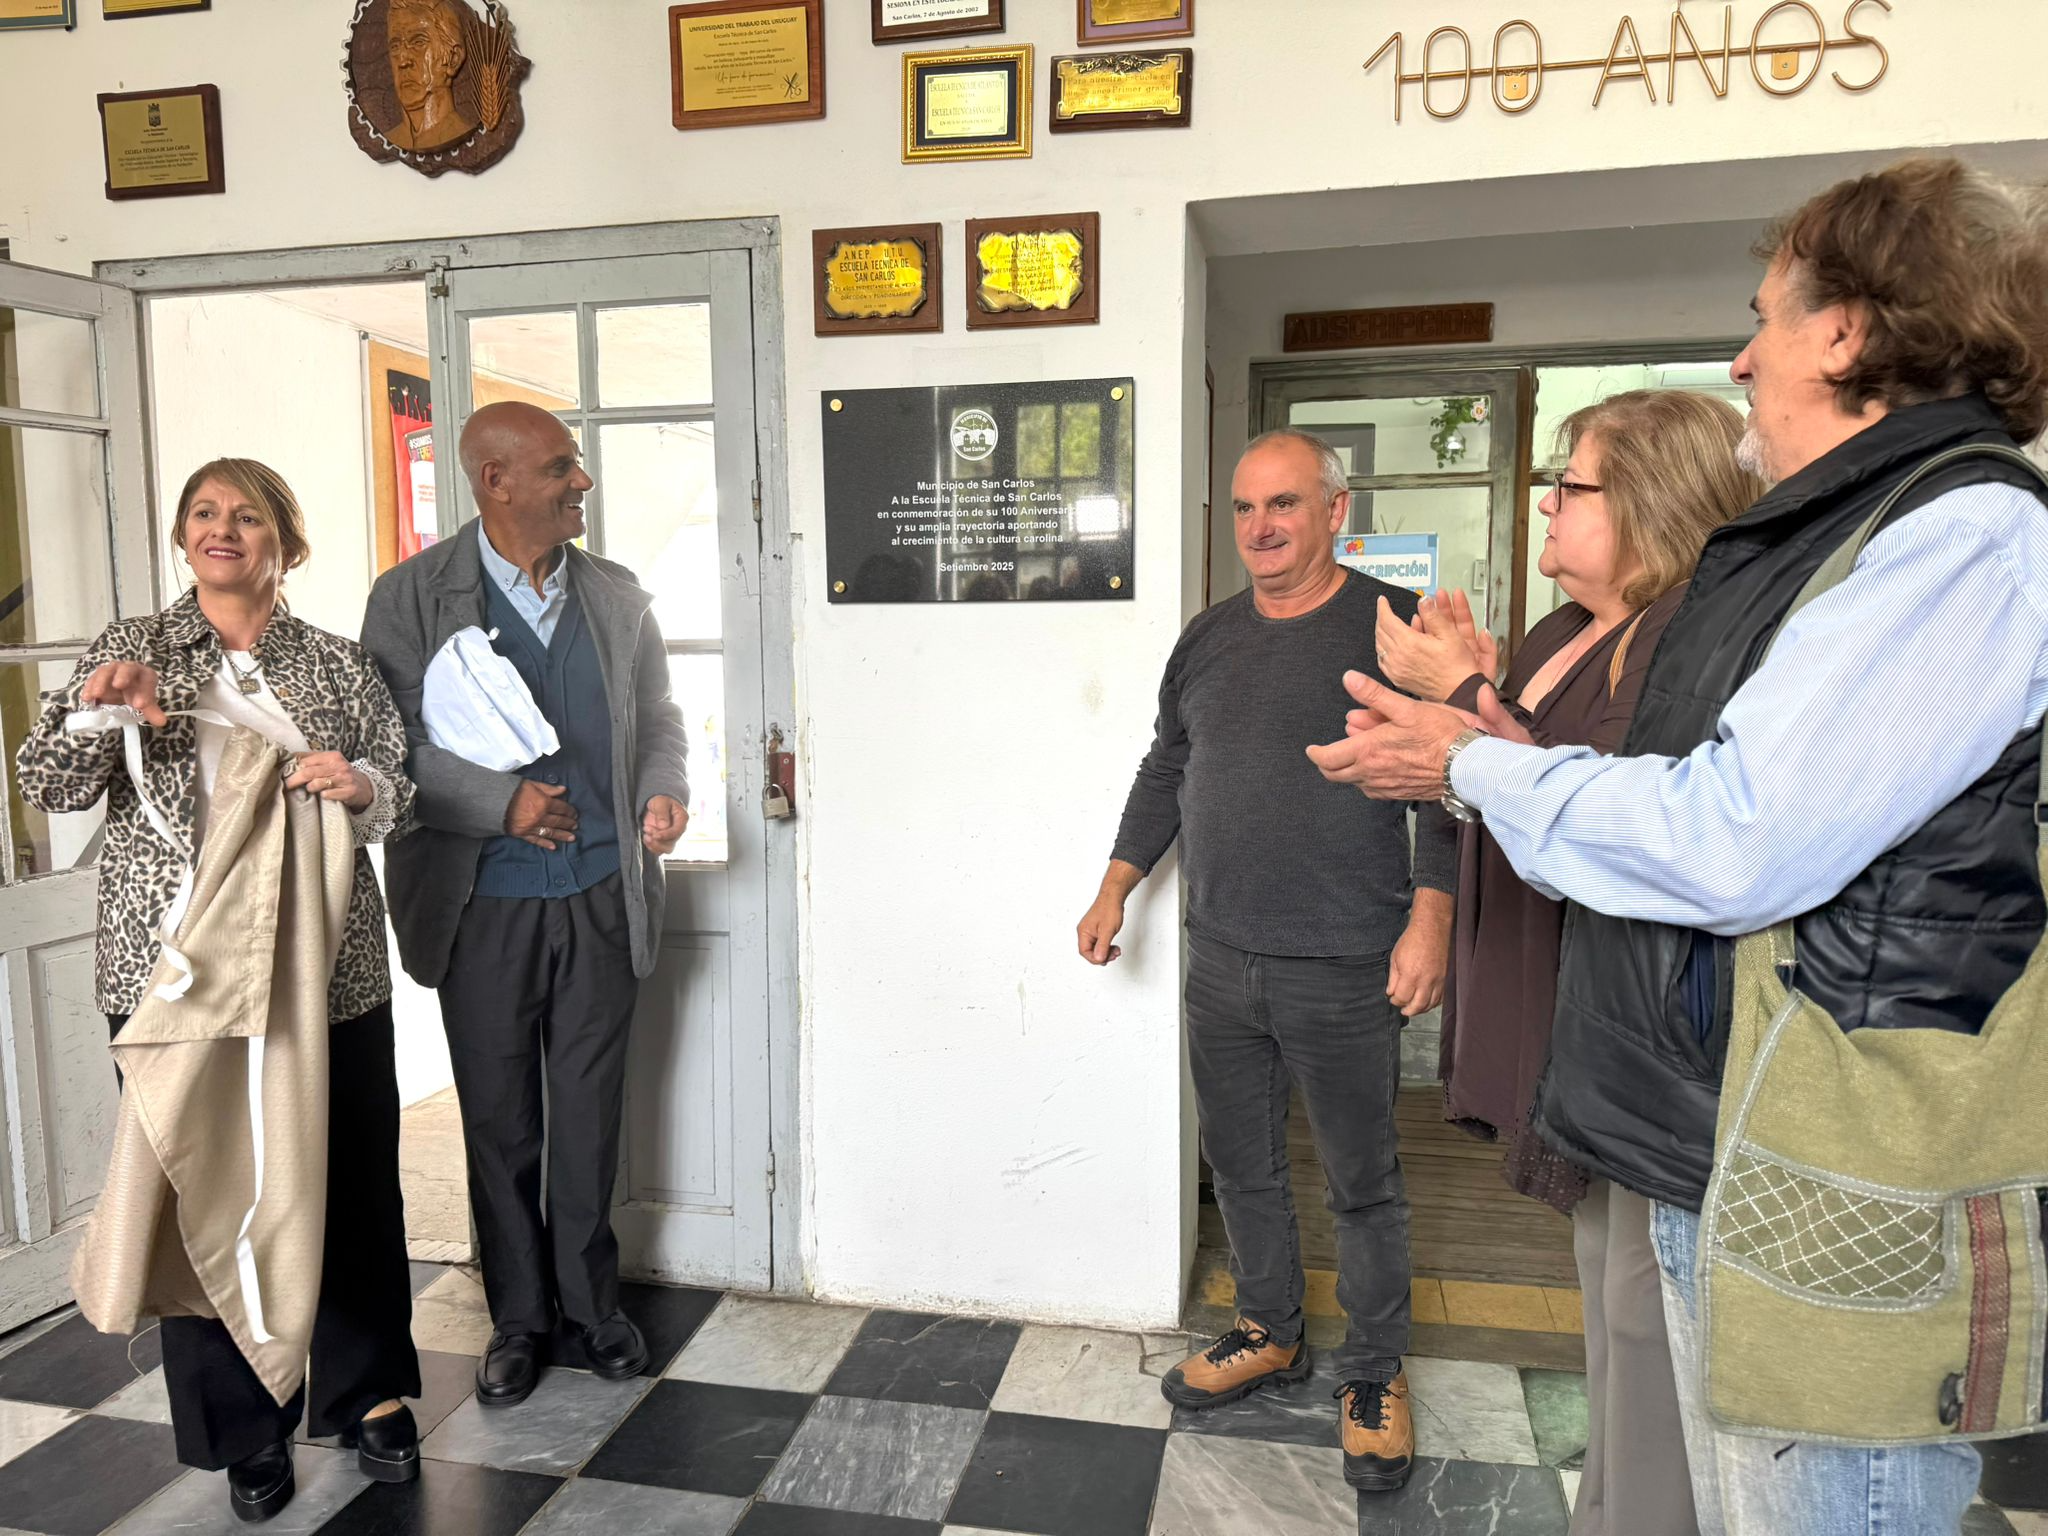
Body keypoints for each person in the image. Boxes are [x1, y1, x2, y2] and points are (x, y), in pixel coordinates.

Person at [1307, 156, 2048, 1535]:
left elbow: (1724, 835)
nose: (1740, 357)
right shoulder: (1847, 536)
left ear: (1845, 333)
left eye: (1764, 317)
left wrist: (1463, 752)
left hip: (1828, 1171)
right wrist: (1473, 738)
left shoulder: (1959, 539)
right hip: (1727, 1132)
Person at [1375, 390, 1761, 1536]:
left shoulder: (1685, 638)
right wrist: (1459, 708)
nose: (1545, 504)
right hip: (1572, 1033)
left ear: (1647, 500)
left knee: (1645, 1323)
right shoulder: (1564, 631)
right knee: (1608, 1304)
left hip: (1641, 1042)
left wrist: (1457, 703)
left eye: (1570, 483)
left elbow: (1602, 818)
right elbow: (1507, 768)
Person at [17, 459, 421, 1524]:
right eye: (203, 513)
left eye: (246, 515)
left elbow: (399, 787)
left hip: (324, 969)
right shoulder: (133, 650)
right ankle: (244, 1429)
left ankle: (368, 1392)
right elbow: (48, 786)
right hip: (172, 968)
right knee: (202, 1188)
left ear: (286, 540)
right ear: (182, 536)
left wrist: (361, 785)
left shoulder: (336, 663)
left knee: (347, 1175)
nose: (222, 529)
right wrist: (96, 713)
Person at [1076, 427, 1456, 1493]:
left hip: (1345, 959)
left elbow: (1449, 783)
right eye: (1244, 508)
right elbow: (1168, 764)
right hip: (1221, 955)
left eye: (1283, 504)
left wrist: (1430, 921)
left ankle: (1373, 1370)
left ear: (1334, 511)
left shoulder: (1396, 628)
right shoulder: (1207, 638)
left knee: (1360, 1182)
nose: (1260, 527)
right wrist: (1115, 883)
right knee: (1239, 1163)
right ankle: (1268, 1328)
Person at [362, 400, 691, 1409]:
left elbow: (658, 717)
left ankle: (593, 1307)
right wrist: (497, 803)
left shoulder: (617, 596)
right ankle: (518, 1319)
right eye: (559, 468)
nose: (580, 482)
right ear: (495, 481)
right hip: (479, 907)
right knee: (500, 1123)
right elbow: (389, 748)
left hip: (600, 896)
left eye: (576, 465)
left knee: (588, 1117)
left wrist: (661, 789)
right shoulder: (410, 599)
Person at [384, 0, 475, 153]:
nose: (403, 61)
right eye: (395, 46)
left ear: (453, 59)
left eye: (418, 42)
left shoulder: (461, 131)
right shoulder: (389, 138)